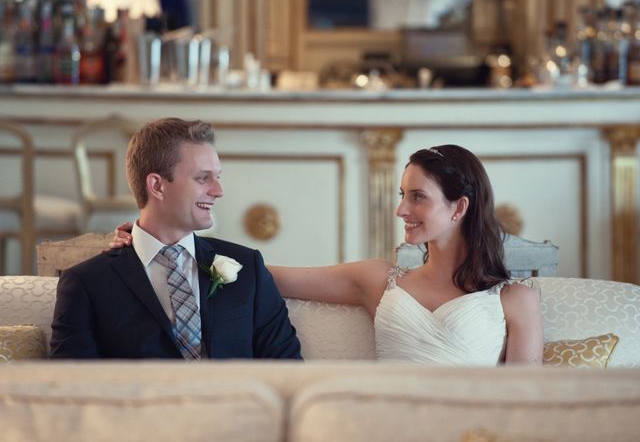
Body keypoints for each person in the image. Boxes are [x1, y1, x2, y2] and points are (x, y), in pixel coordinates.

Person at [112, 144, 543, 365]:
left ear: (459, 207)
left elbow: (525, 404)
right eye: (401, 195)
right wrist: (155, 238)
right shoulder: (379, 281)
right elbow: (260, 275)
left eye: (417, 198)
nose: (401, 210)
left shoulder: (515, 300)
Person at [50, 117, 301, 360]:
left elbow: (287, 369)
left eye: (217, 177)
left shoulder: (248, 268)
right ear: (157, 186)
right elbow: (73, 387)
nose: (218, 191)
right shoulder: (86, 284)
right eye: (203, 178)